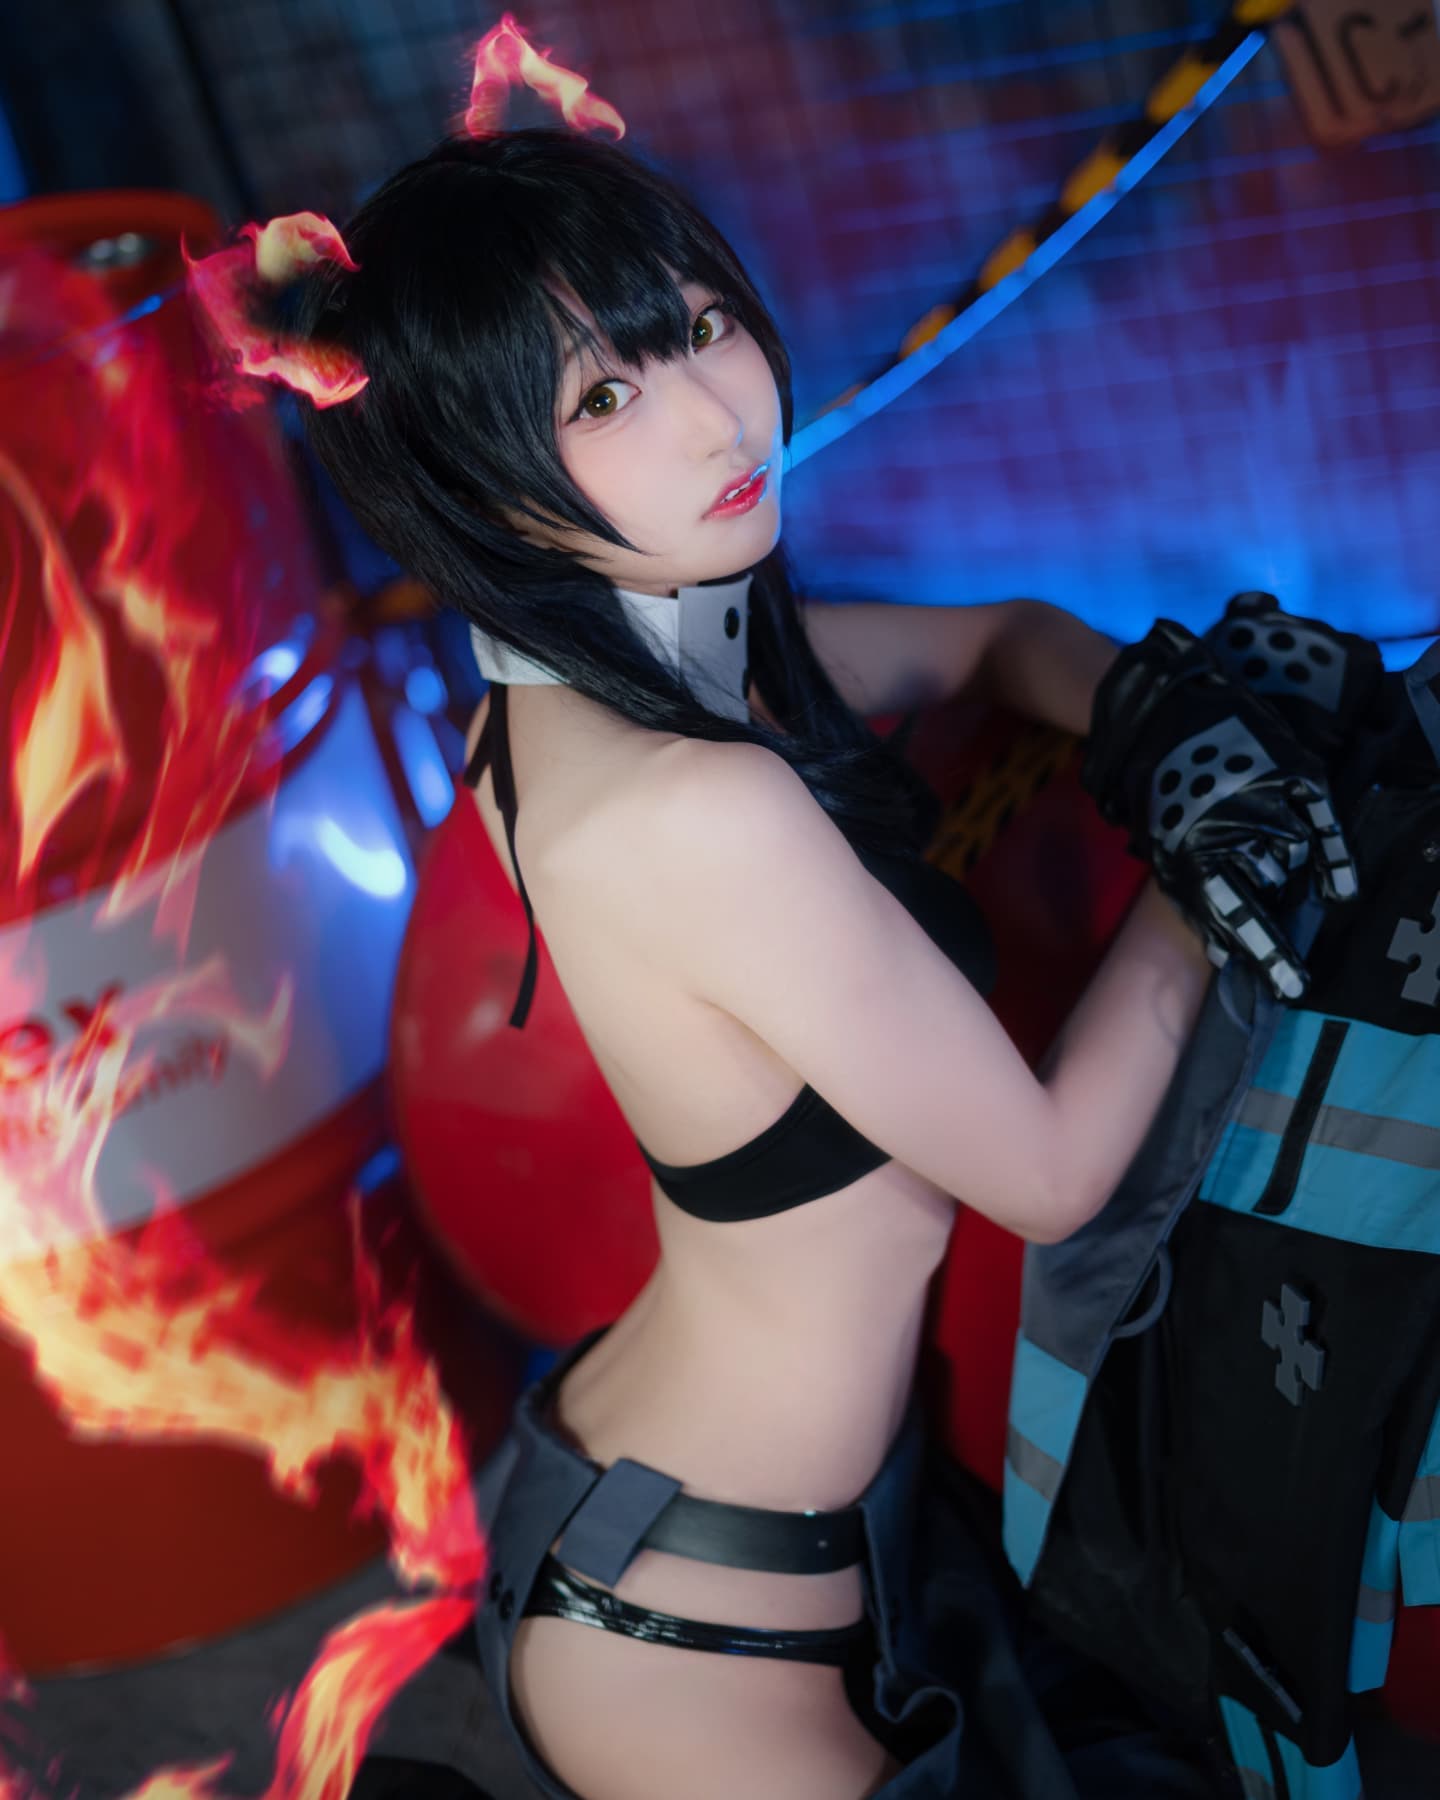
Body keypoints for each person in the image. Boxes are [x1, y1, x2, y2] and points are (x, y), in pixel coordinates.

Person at [191, 126, 1355, 1800]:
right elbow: (1047, 1173)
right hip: (698, 1631)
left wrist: (1158, 715)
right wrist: (1217, 862)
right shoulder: (692, 801)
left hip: (695, 1496)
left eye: (698, 324)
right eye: (603, 398)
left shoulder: (594, 693)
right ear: (481, 483)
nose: (718, 416)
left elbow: (996, 634)